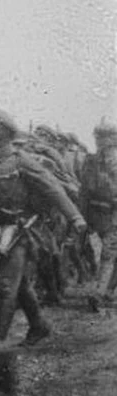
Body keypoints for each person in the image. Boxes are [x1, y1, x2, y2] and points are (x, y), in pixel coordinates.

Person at [0, 110, 85, 344]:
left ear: (3, 131)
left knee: (6, 286)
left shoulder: (22, 160)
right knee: (20, 283)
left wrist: (75, 217)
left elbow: (52, 188)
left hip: (19, 230)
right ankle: (38, 325)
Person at [79, 120, 117, 310]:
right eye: (98, 137)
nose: (99, 141)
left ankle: (102, 292)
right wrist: (83, 217)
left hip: (110, 214)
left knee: (109, 254)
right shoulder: (91, 161)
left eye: (103, 137)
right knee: (108, 255)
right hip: (100, 215)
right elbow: (84, 191)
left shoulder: (106, 161)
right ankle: (104, 291)